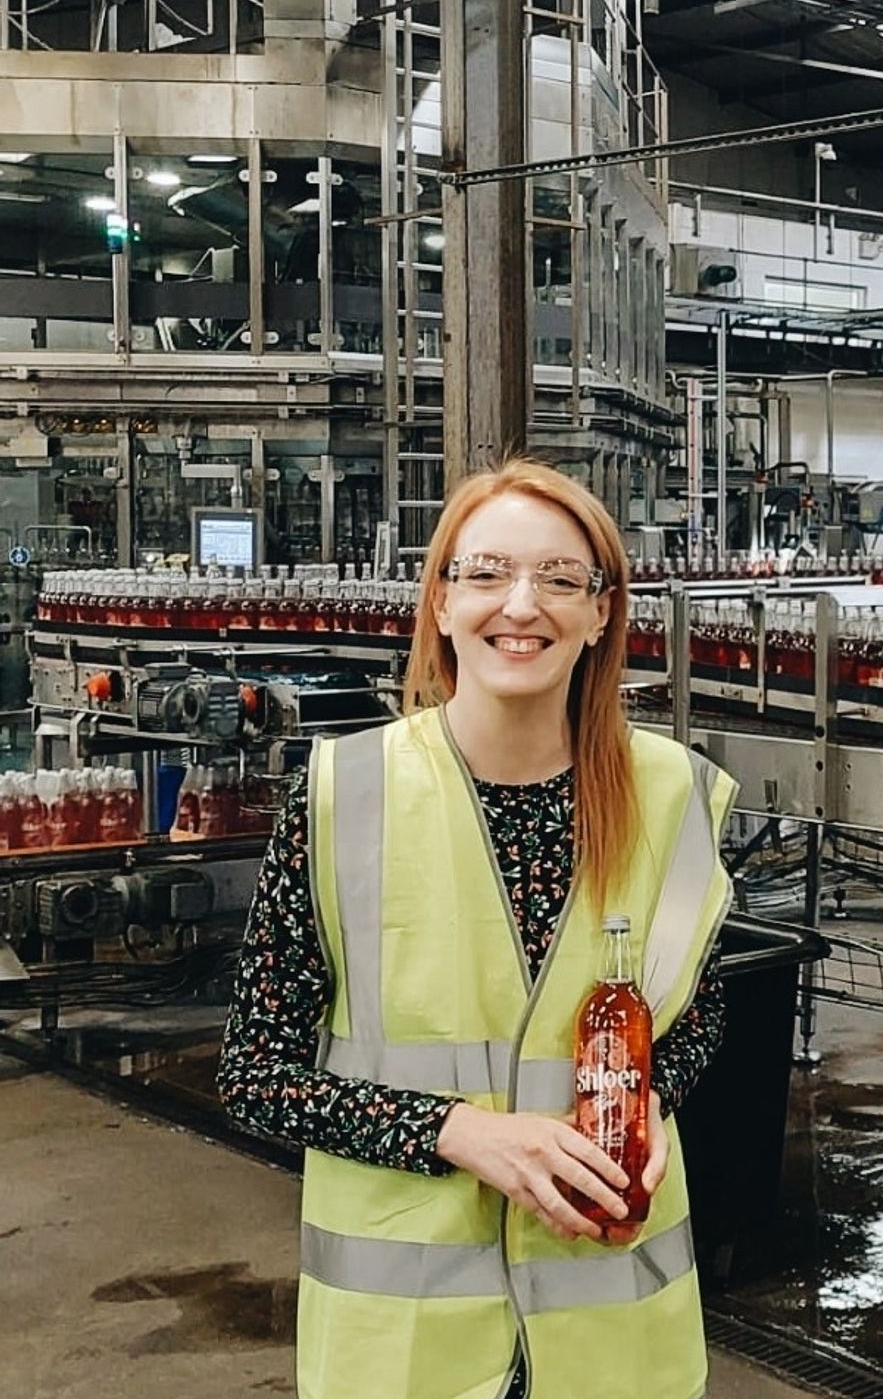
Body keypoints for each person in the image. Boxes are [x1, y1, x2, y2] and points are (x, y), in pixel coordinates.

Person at [219, 459, 737, 1399]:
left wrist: (651, 1103)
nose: (522, 605)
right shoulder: (347, 797)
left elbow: (694, 1020)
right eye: (488, 573)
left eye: (560, 580)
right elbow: (257, 1076)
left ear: (601, 614)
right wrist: (459, 1132)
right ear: (444, 601)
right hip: (408, 1347)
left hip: (614, 1338)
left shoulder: (673, 798)